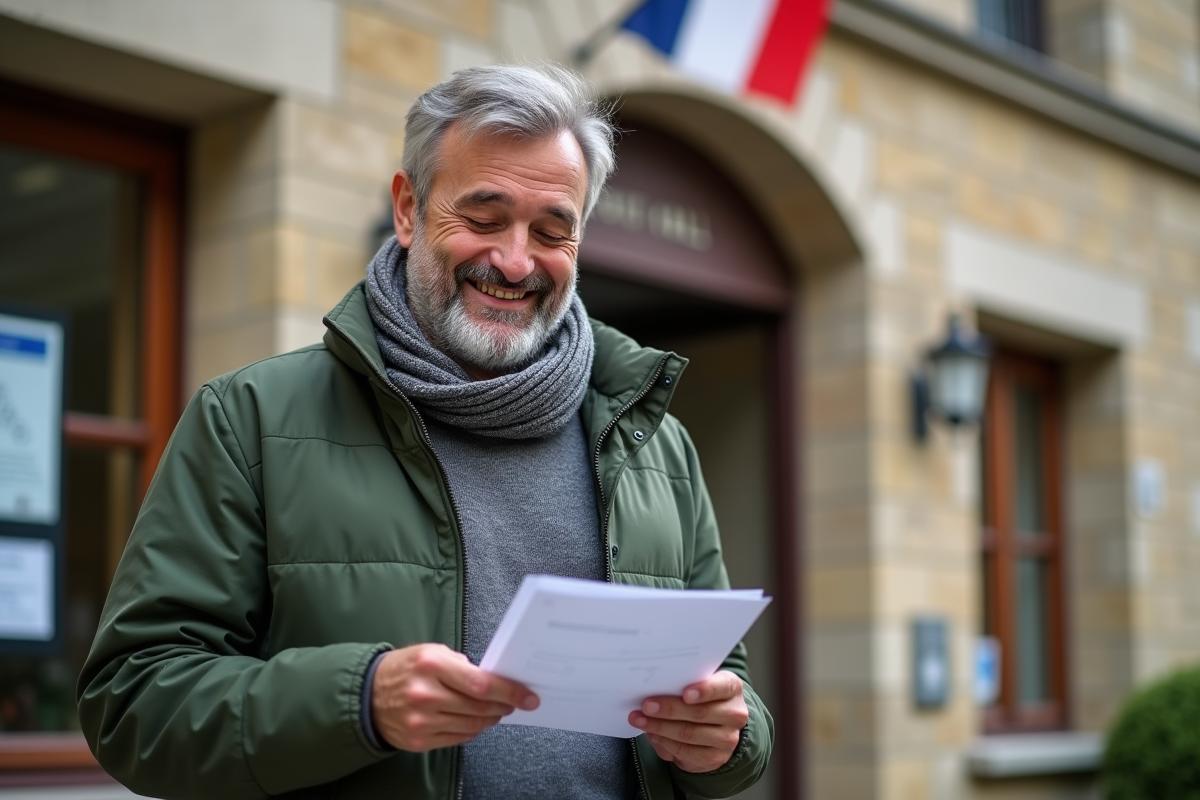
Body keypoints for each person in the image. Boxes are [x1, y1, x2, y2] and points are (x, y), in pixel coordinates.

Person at [78, 64, 773, 799]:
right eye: (482, 217)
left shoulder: (657, 443)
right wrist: (360, 701)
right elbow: (134, 703)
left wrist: (728, 740)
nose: (514, 260)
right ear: (408, 209)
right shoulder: (248, 418)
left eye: (551, 230)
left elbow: (732, 690)